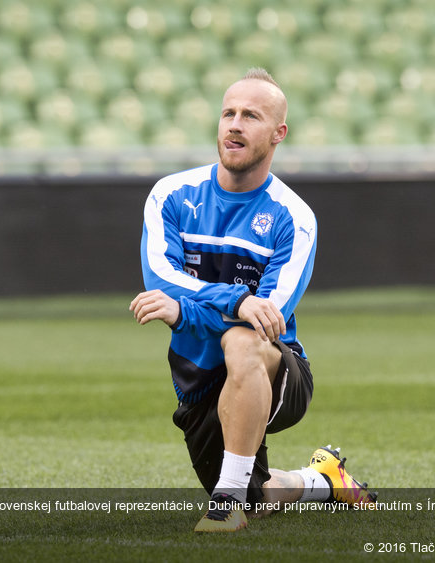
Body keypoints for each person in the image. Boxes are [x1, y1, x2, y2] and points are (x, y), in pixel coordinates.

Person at [129, 68, 375, 532]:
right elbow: (161, 276)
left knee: (243, 341)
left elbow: (267, 318)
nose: (235, 125)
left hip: (278, 369)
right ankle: (321, 478)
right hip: (198, 378)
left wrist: (186, 310)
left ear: (278, 133)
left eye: (251, 116)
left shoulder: (294, 217)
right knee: (260, 494)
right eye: (228, 113)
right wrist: (235, 300)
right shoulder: (171, 195)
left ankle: (225, 506)